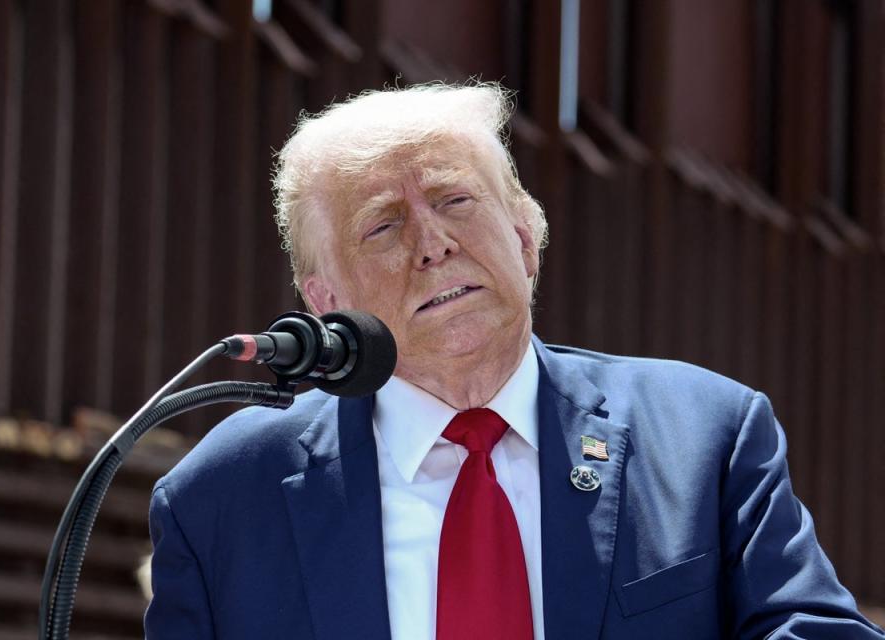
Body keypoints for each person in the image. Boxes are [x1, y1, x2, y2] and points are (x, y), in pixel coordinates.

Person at [144, 82, 884, 639]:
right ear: (327, 301)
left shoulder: (706, 438)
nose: (433, 244)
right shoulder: (220, 501)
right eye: (383, 225)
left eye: (456, 201)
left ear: (526, 240)